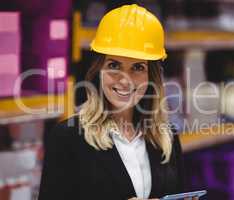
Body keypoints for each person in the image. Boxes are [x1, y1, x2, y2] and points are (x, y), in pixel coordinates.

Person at [38, 4, 184, 200]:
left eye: (138, 67)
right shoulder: (67, 138)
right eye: (114, 65)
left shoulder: (167, 138)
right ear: (99, 70)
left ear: (152, 76)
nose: (124, 80)